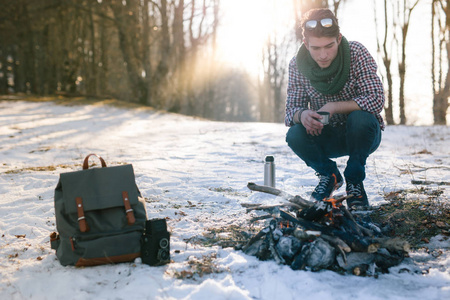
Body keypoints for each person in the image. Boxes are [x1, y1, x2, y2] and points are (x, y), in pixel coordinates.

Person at [285, 8, 385, 210]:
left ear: (338, 38)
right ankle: (329, 175)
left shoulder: (356, 52)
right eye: (316, 48)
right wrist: (302, 114)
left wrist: (333, 107)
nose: (323, 55)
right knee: (294, 134)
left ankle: (355, 183)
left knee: (360, 118)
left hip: (362, 135)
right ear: (306, 44)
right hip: (325, 135)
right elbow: (290, 112)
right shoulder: (297, 64)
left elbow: (375, 99)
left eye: (329, 46)